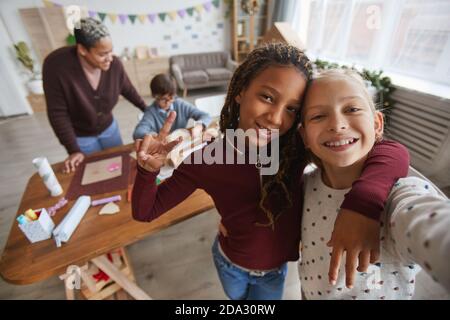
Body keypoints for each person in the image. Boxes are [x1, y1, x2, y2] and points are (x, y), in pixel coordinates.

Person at [132, 43, 410, 300]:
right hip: (230, 263)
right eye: (267, 97)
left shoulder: (295, 150)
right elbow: (145, 212)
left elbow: (392, 151)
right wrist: (146, 171)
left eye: (292, 109)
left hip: (276, 272)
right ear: (240, 90)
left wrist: (362, 205)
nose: (276, 118)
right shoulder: (205, 159)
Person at [298, 68, 450, 299]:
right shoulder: (306, 185)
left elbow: (430, 223)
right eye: (318, 116)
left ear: (377, 123)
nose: (338, 124)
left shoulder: (398, 195)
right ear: (304, 137)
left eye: (352, 109)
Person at [42, 18, 147, 173]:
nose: (110, 58)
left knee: (119, 168)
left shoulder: (114, 64)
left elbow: (127, 89)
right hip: (81, 137)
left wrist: (148, 109)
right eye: (103, 54)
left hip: (110, 128)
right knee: (97, 172)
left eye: (111, 51)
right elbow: (58, 113)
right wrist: (74, 150)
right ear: (82, 50)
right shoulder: (56, 66)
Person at [133, 73, 212, 140]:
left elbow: (205, 116)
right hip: (162, 146)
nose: (168, 102)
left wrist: (198, 126)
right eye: (163, 99)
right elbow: (138, 133)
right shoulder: (150, 112)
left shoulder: (180, 104)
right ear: (155, 96)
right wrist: (155, 136)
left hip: (181, 143)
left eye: (171, 98)